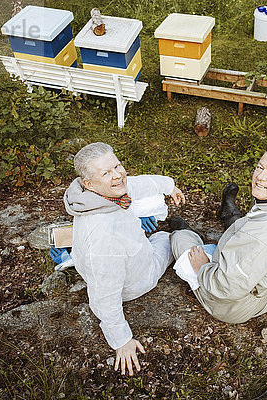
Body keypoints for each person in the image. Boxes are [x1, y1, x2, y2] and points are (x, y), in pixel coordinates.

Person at [64, 142, 185, 376]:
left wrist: (169, 186)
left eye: (117, 166)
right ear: (89, 183)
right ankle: (182, 232)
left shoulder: (94, 193)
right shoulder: (102, 240)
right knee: (169, 238)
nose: (118, 175)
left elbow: (136, 183)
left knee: (152, 227)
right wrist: (121, 341)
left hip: (128, 252)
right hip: (136, 279)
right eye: (106, 172)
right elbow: (103, 297)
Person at [169, 147, 267, 323]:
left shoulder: (262, 237)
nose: (260, 177)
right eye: (260, 168)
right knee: (240, 226)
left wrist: (202, 267)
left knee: (179, 239)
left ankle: (189, 233)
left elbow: (226, 288)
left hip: (234, 305)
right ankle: (228, 213)